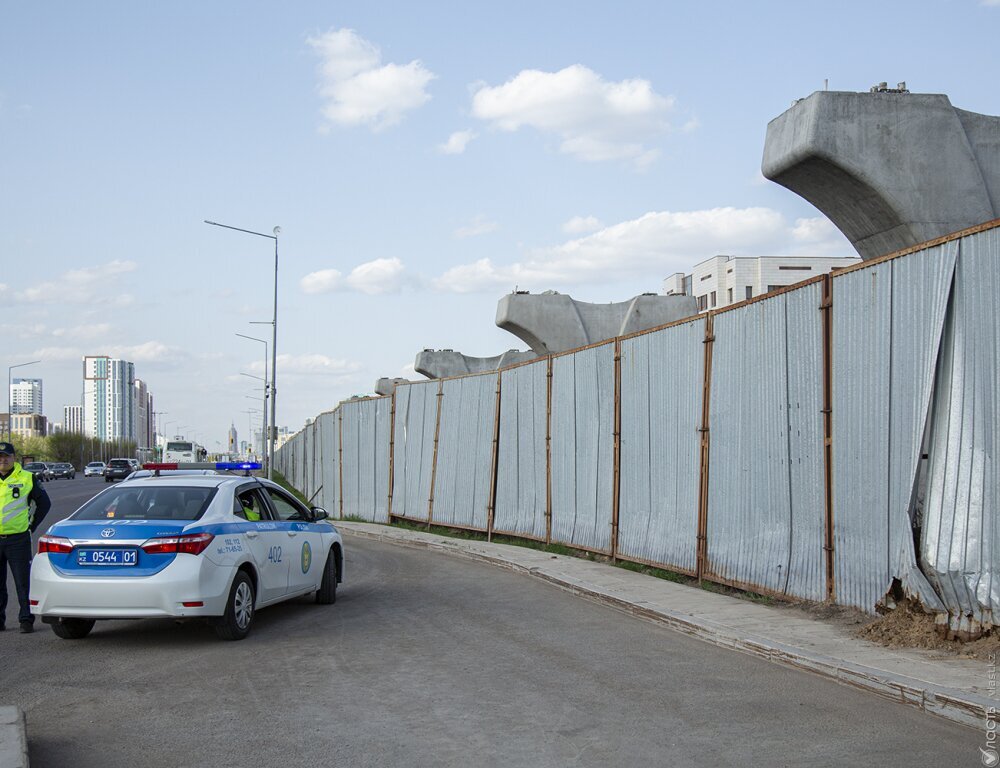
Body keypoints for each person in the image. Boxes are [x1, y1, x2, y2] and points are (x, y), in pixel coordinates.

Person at [0, 441, 51, 633]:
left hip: (18, 539)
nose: (2, 460)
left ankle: (26, 620)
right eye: (0, 457)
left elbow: (44, 504)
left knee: (22, 582)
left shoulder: (27, 478)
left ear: (14, 458)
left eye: (6, 456)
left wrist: (32, 526)